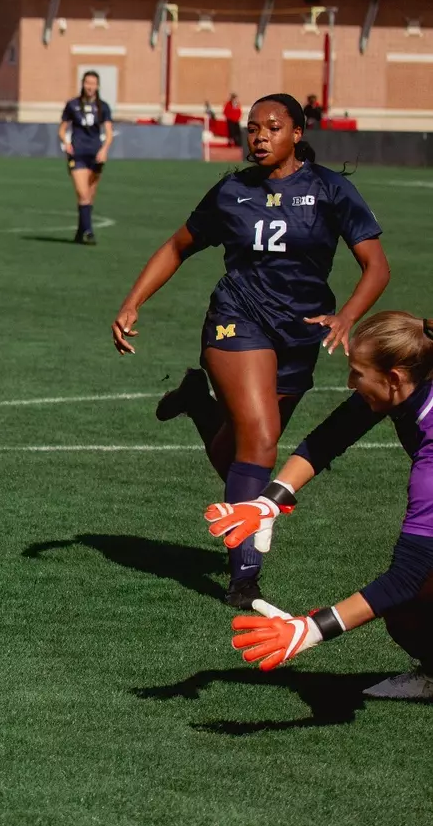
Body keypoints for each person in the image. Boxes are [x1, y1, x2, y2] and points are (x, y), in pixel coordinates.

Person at [112, 93, 390, 608]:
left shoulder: (330, 188)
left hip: (301, 332)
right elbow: (178, 246)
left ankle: (197, 401)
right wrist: (132, 302)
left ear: (297, 133)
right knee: (260, 444)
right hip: (237, 319)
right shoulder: (232, 190)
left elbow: (377, 265)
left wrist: (347, 315)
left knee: (236, 454)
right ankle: (243, 576)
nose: (259, 136)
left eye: (273, 127)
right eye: (252, 128)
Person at [204, 311, 433, 699]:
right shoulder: (410, 386)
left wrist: (310, 629)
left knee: (409, 600)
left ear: (394, 379)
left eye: (357, 374)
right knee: (409, 611)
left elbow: (406, 575)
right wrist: (268, 503)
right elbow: (330, 436)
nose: (350, 383)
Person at [58, 71, 114, 244]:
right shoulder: (72, 104)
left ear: (97, 86)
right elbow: (62, 129)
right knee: (82, 193)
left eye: (93, 83)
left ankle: (80, 231)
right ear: (83, 84)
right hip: (78, 154)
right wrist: (66, 142)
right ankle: (89, 232)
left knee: (89, 195)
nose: (90, 87)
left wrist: (104, 149)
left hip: (95, 155)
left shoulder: (103, 106)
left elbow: (109, 133)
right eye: (87, 83)